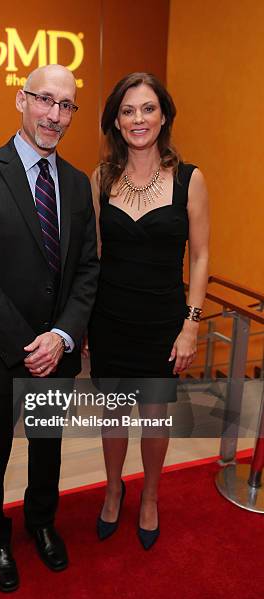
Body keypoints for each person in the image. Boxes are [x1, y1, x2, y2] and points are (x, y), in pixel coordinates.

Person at [0, 64, 99, 592]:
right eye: (45, 100)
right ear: (21, 99)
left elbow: (87, 269)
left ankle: (41, 522)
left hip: (55, 353)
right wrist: (24, 344)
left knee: (47, 446)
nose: (55, 115)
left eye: (66, 106)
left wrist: (61, 336)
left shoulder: (79, 185)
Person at [87, 73, 209, 549]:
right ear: (116, 122)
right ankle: (114, 488)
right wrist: (86, 323)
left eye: (148, 108)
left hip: (163, 322)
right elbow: (94, 254)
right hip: (111, 320)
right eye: (128, 111)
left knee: (155, 416)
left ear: (164, 115)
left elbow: (199, 256)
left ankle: (151, 495)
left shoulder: (189, 179)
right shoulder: (100, 179)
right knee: (114, 416)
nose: (138, 119)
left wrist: (191, 326)